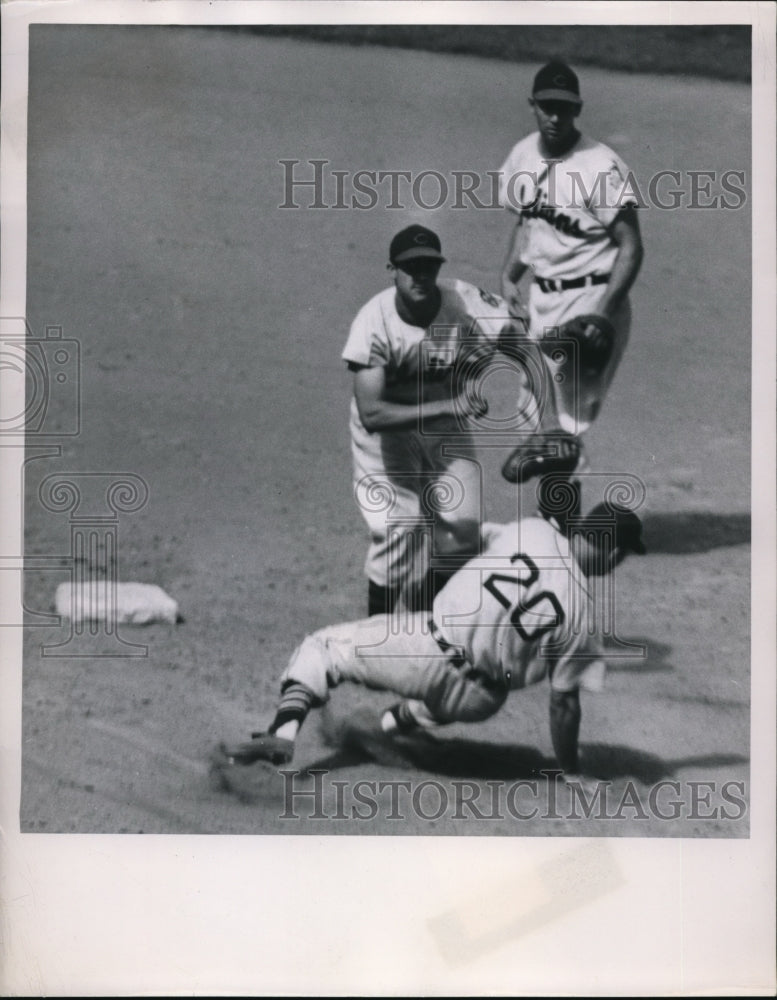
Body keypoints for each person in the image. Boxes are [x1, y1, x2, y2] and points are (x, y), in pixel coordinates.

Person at [216, 502, 646, 783]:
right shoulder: (587, 619)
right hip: (479, 701)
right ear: (612, 554)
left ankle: (283, 734)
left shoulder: (532, 530)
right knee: (429, 708)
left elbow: (462, 538)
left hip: (426, 650)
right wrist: (570, 771)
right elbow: (564, 704)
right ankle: (380, 729)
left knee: (323, 648)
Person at [341, 224, 517, 617]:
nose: (420, 275)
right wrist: (450, 406)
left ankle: (426, 604)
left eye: (428, 266)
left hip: (442, 413)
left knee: (464, 527)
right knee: (398, 527)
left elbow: (515, 337)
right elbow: (372, 414)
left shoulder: (464, 300)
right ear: (393, 270)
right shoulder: (374, 322)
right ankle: (377, 633)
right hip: (386, 433)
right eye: (410, 267)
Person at [497, 60, 644, 493]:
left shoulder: (601, 166)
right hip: (544, 300)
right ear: (534, 106)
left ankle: (560, 534)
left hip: (592, 300)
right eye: (548, 107)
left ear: (577, 108)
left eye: (565, 108)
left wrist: (602, 314)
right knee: (543, 429)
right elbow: (528, 225)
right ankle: (557, 530)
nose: (556, 116)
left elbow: (631, 245)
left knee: (563, 429)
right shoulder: (522, 155)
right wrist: (509, 277)